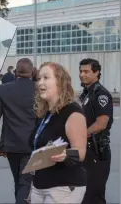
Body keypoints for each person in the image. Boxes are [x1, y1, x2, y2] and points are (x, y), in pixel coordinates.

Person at [29, 62, 87, 203]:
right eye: (38, 78)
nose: (40, 82)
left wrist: (66, 154)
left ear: (60, 82)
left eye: (46, 77)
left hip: (63, 187)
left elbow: (81, 152)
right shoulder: (44, 113)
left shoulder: (72, 112)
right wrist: (33, 187)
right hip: (40, 184)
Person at [0, 58, 36, 203]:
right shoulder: (40, 88)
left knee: (19, 181)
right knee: (25, 183)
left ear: (15, 72)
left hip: (11, 144)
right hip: (33, 144)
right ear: (32, 72)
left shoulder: (4, 89)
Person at [79, 58, 113, 204]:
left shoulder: (101, 94)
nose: (82, 74)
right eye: (81, 71)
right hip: (85, 150)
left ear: (97, 72)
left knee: (94, 195)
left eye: (86, 71)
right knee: (83, 194)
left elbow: (101, 123)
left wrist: (78, 136)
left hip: (97, 151)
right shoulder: (87, 93)